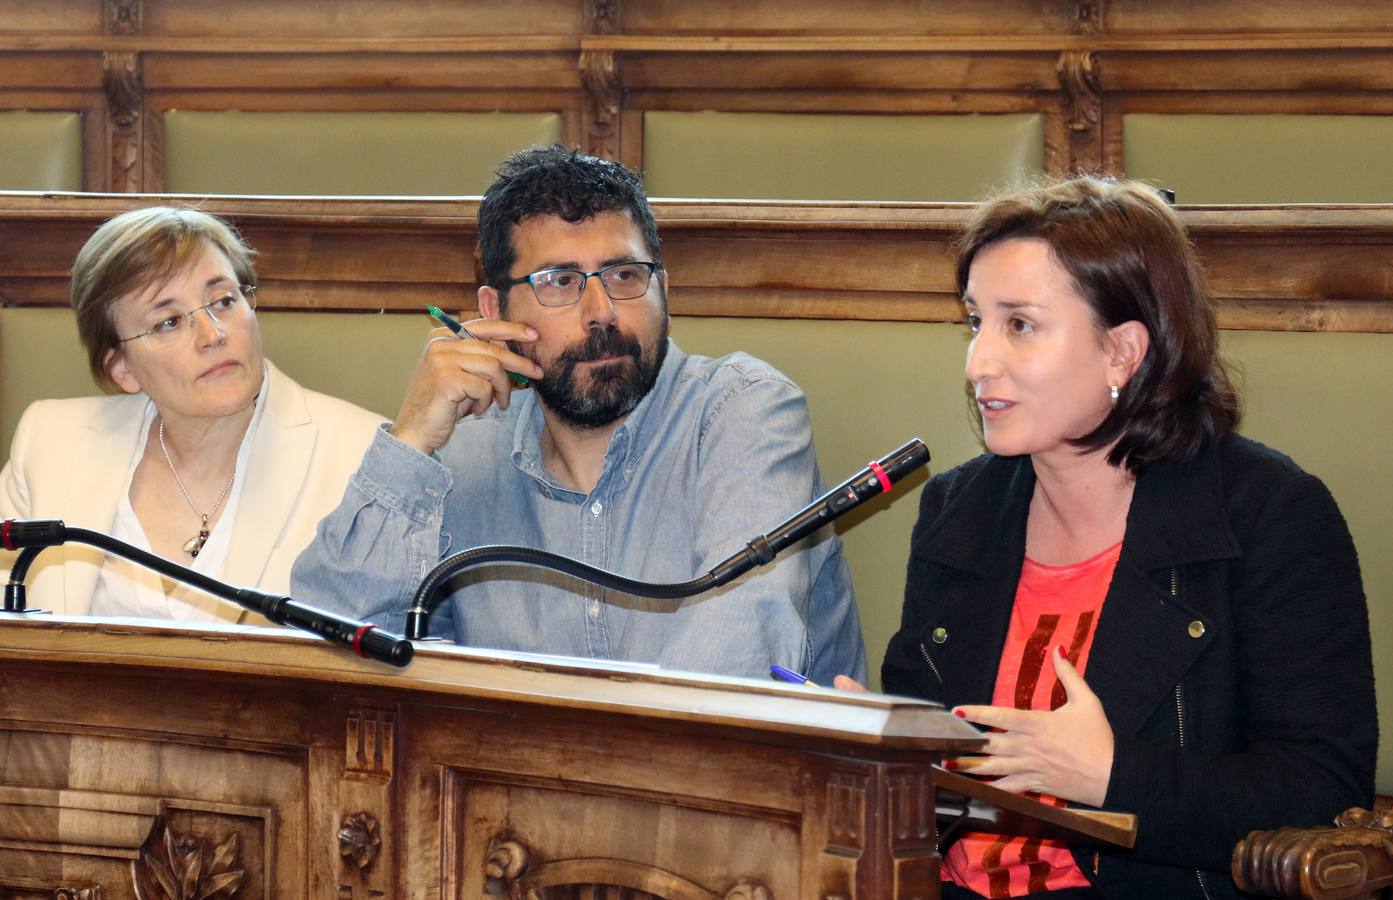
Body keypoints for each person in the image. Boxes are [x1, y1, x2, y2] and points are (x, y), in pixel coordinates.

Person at [869, 177, 1376, 899]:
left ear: (1122, 352)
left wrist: (1112, 777)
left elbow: (1320, 788)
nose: (978, 362)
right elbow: (933, 744)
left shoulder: (1268, 515)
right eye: (973, 321)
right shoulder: (961, 507)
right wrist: (875, 747)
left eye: (1019, 325)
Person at [291, 144, 866, 683]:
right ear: (494, 311)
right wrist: (412, 440)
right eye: (560, 281)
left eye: (624, 275)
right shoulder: (465, 448)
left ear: (665, 291)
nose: (602, 311)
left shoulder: (745, 416)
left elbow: (732, 668)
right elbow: (329, 651)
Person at [0, 206, 383, 621]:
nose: (213, 334)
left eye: (223, 300)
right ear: (122, 368)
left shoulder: (363, 455)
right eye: (168, 322)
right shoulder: (51, 443)